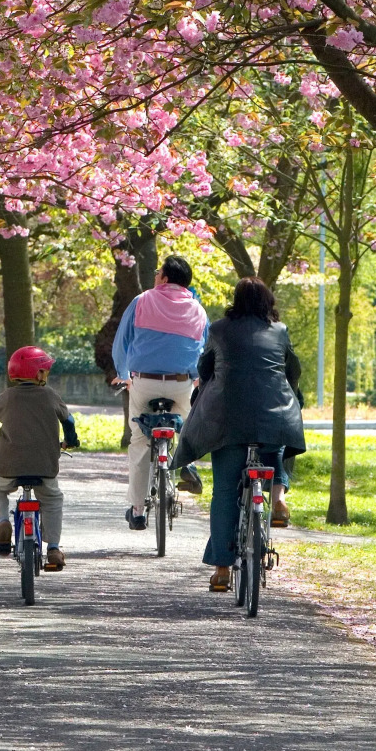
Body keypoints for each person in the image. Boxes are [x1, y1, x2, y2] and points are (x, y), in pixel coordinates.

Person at [173, 276, 305, 593]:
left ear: (236, 300)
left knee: (223, 492)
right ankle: (278, 499)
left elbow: (205, 369)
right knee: (276, 447)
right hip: (273, 418)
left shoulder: (219, 330)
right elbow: (292, 371)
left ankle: (221, 569)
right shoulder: (280, 331)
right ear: (267, 301)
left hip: (226, 422)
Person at [112, 254, 208, 530]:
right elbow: (203, 348)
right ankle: (187, 462)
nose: (155, 276)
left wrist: (123, 375)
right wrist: (197, 378)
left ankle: (138, 509)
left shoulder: (142, 301)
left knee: (140, 441)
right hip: (181, 384)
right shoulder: (198, 310)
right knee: (186, 428)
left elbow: (121, 343)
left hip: (145, 382)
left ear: (164, 278)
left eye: (157, 272)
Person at [0, 345, 80, 570]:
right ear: (38, 373)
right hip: (45, 466)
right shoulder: (50, 395)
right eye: (44, 370)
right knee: (52, 499)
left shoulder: (7, 396)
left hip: (8, 466)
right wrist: (71, 440)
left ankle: (3, 522)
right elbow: (68, 421)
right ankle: (54, 548)